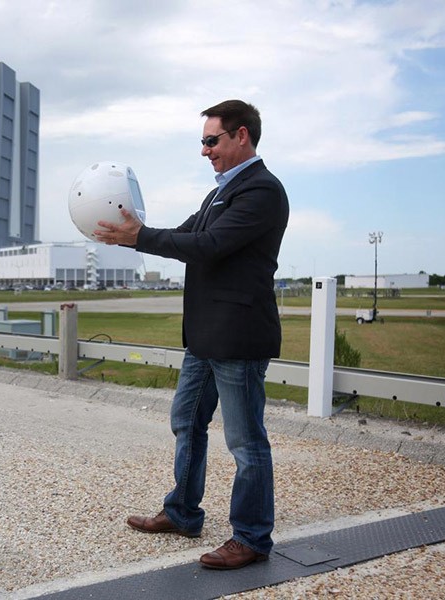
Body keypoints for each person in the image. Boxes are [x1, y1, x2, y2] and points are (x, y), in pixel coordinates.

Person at [93, 99, 289, 570]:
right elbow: (186, 235)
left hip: (238, 338)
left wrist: (141, 238)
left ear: (241, 136)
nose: (204, 151)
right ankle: (182, 512)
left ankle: (252, 538)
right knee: (186, 422)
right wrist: (133, 234)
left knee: (246, 442)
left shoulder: (261, 191)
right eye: (202, 142)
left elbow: (209, 246)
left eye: (211, 140)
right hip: (205, 336)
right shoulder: (223, 191)